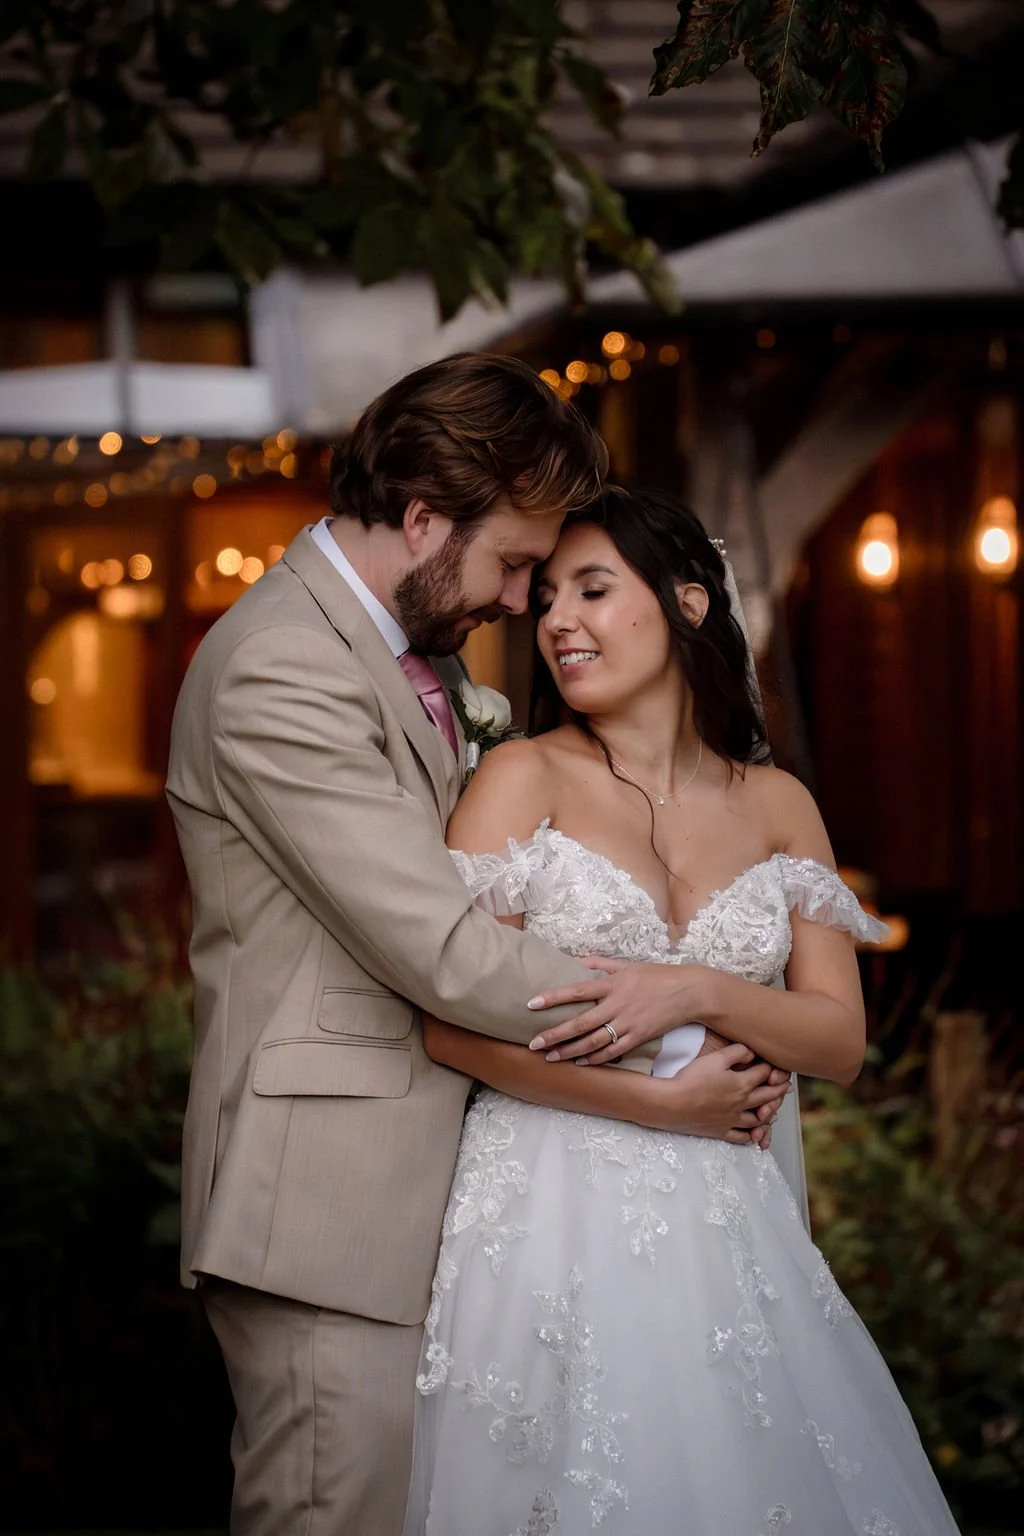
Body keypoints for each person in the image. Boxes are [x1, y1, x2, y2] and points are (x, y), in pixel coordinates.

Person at [165, 356, 790, 1536]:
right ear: (419, 519)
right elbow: (444, 953)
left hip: (438, 1206)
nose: (521, 603)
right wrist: (686, 1032)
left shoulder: (417, 660)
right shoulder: (281, 670)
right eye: (513, 563)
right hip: (327, 1215)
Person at [402, 485, 961, 1535]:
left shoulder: (777, 803)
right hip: (546, 1207)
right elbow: (448, 1028)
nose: (557, 618)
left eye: (594, 589)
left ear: (689, 603)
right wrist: (660, 1106)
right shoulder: (521, 779)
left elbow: (838, 1039)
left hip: (727, 1220)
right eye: (548, 595)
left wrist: (699, 989)